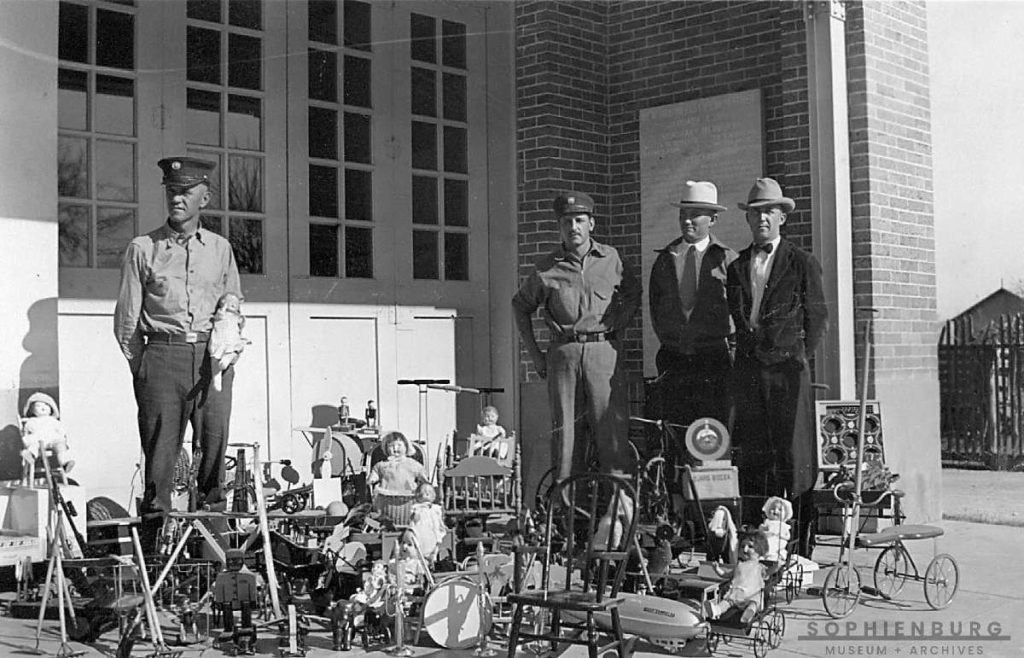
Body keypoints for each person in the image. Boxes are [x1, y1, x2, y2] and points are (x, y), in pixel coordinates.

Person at [114, 156, 242, 547]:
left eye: (186, 192)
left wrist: (226, 348)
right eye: (172, 191)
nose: (177, 199)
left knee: (214, 453)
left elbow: (232, 304)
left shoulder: (220, 249)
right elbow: (126, 323)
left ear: (205, 198)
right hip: (161, 359)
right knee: (160, 463)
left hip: (210, 363)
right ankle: (156, 559)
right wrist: (146, 369)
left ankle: (211, 552)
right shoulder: (143, 248)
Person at [726, 177, 828, 557]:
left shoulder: (801, 262)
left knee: (794, 459)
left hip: (788, 373)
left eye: (769, 212)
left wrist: (796, 355)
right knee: (754, 455)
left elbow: (817, 318)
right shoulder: (738, 266)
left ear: (782, 217)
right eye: (755, 213)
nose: (762, 219)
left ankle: (799, 550)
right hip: (750, 372)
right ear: (748, 219)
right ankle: (757, 549)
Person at [512, 192, 641, 484]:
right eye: (566, 222)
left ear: (591, 224)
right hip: (564, 356)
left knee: (611, 433)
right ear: (559, 227)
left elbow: (633, 292)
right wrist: (535, 356)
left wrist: (618, 325)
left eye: (580, 220)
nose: (574, 227)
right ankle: (569, 507)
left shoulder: (611, 259)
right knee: (567, 439)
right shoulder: (547, 267)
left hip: (603, 354)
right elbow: (520, 305)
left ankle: (618, 505)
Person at [649, 180, 737, 427]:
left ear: (713, 219)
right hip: (675, 358)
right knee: (677, 427)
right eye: (683, 214)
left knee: (712, 430)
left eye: (695, 214)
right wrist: (672, 340)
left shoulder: (727, 259)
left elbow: (737, 311)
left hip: (713, 359)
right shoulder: (665, 259)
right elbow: (656, 307)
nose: (687, 221)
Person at [702, 529, 769, 624]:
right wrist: (717, 569)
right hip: (737, 594)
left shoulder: (760, 567)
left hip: (752, 594)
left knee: (753, 603)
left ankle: (748, 614)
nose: (745, 549)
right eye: (742, 546)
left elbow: (768, 574)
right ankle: (716, 610)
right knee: (727, 602)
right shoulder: (739, 565)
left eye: (750, 546)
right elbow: (726, 575)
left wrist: (776, 568)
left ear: (760, 550)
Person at [367, 431, 430, 525]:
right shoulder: (382, 465)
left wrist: (425, 483)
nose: (395, 448)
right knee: (381, 510)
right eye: (391, 446)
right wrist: (372, 479)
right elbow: (375, 473)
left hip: (408, 500)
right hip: (386, 500)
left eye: (399, 445)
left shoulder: (412, 464)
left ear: (406, 447)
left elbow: (422, 475)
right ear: (386, 449)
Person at [20, 392, 74, 473]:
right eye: (38, 406)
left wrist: (62, 435)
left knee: (60, 446)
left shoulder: (53, 421)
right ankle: (30, 455)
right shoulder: (32, 420)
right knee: (34, 445)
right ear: (32, 410)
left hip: (53, 440)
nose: (42, 407)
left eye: (46, 405)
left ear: (51, 409)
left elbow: (60, 429)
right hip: (39, 440)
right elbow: (29, 429)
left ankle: (65, 463)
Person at [208, 292, 249, 392]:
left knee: (232, 350)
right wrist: (223, 309)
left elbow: (241, 325)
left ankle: (227, 359)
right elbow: (217, 317)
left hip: (231, 337)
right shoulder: (221, 313)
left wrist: (242, 321)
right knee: (214, 357)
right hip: (219, 338)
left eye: (235, 303)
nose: (233, 304)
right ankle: (216, 377)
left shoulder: (237, 316)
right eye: (230, 301)